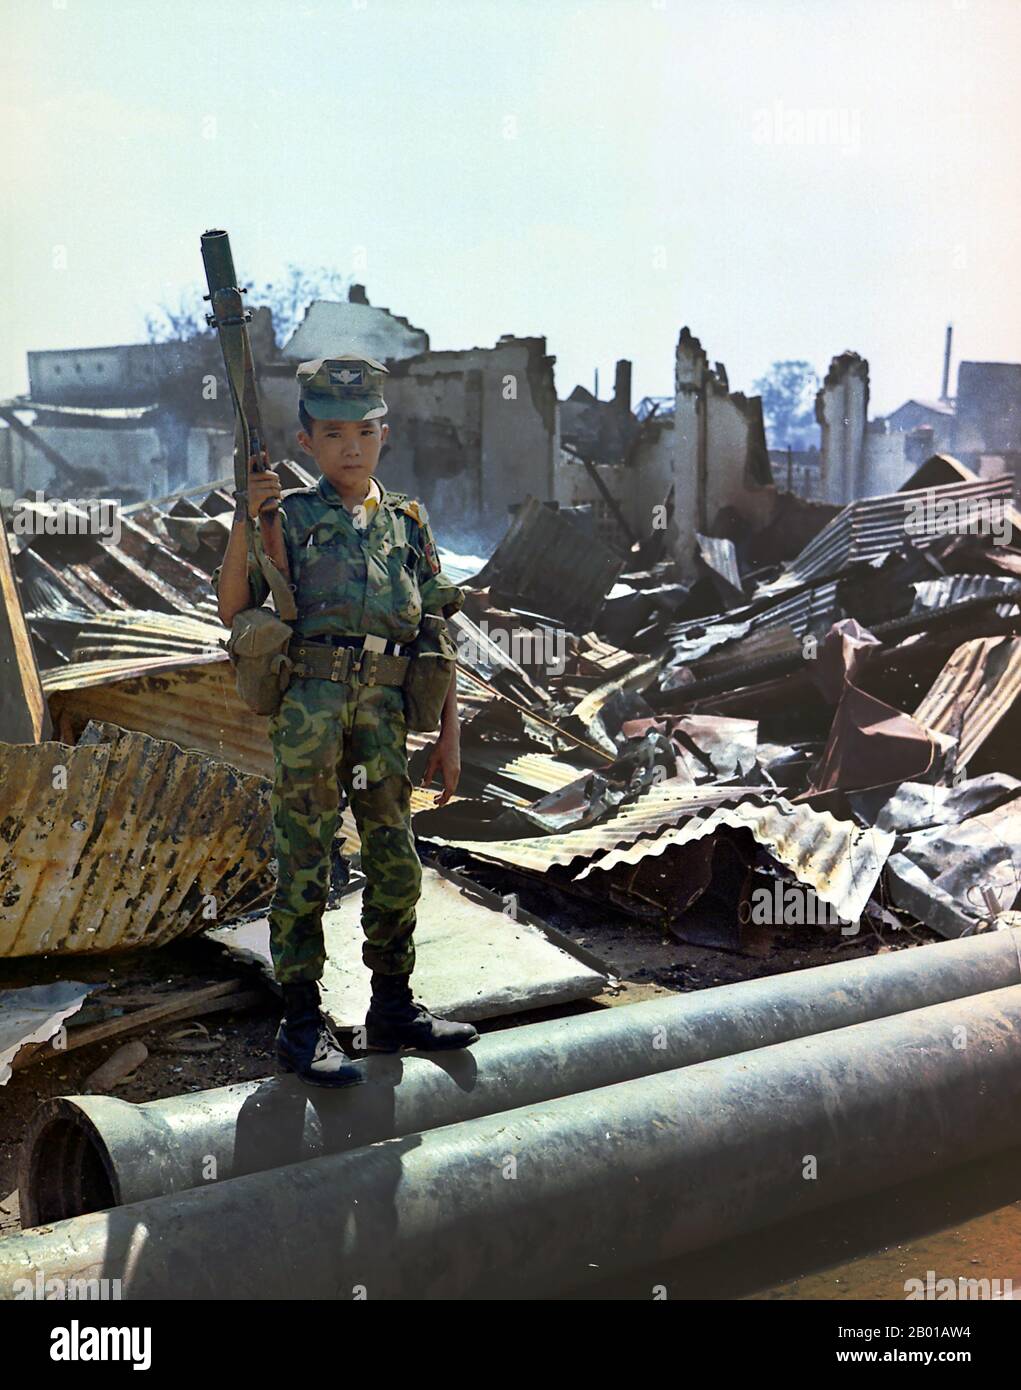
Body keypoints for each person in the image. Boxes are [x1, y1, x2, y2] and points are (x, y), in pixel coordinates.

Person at [215, 353, 479, 1086]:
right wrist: (246, 515)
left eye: (363, 430)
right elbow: (234, 607)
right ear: (308, 443)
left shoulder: (407, 525)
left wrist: (450, 735)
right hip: (310, 709)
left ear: (383, 434)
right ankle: (302, 1026)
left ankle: (391, 1008)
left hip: (385, 717)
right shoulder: (288, 517)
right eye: (332, 433)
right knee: (303, 863)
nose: (350, 446)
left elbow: (436, 629)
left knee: (396, 862)